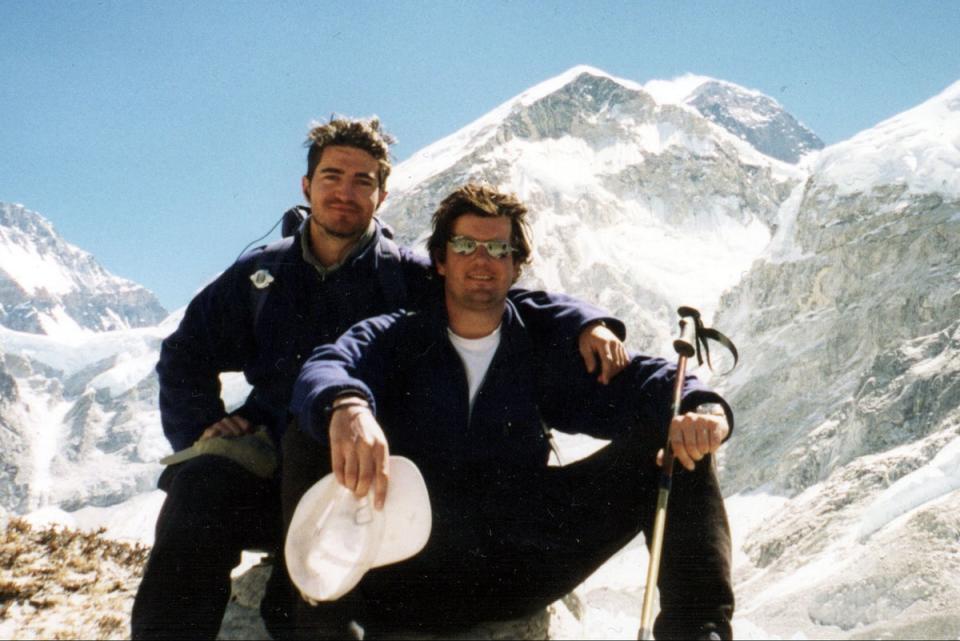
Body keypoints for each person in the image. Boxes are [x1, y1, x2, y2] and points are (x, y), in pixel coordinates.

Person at [131, 119, 629, 640]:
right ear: (306, 186)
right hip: (273, 460)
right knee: (199, 488)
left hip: (371, 475)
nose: (345, 193)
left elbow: (496, 295)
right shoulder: (262, 275)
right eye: (332, 176)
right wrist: (206, 425)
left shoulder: (409, 277)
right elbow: (185, 352)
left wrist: (584, 320)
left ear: (382, 194)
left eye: (362, 181)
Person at [286, 184, 736, 640]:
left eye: (498, 248)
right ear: (441, 260)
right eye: (464, 245)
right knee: (316, 428)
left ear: (515, 265)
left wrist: (705, 410)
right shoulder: (399, 336)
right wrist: (347, 405)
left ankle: (699, 632)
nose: (481, 259)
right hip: (411, 569)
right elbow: (330, 364)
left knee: (677, 446)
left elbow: (651, 382)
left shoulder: (540, 343)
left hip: (519, 563)